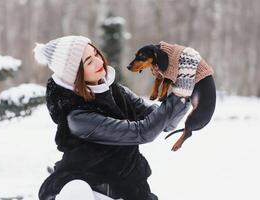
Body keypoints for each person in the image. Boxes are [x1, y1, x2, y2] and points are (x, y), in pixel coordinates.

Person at [33, 36, 192, 200]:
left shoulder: (115, 91)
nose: (98, 61)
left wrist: (184, 95)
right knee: (76, 191)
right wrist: (179, 94)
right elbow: (143, 132)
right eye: (89, 62)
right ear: (75, 74)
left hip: (126, 185)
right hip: (89, 189)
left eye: (95, 54)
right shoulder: (79, 117)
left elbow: (163, 123)